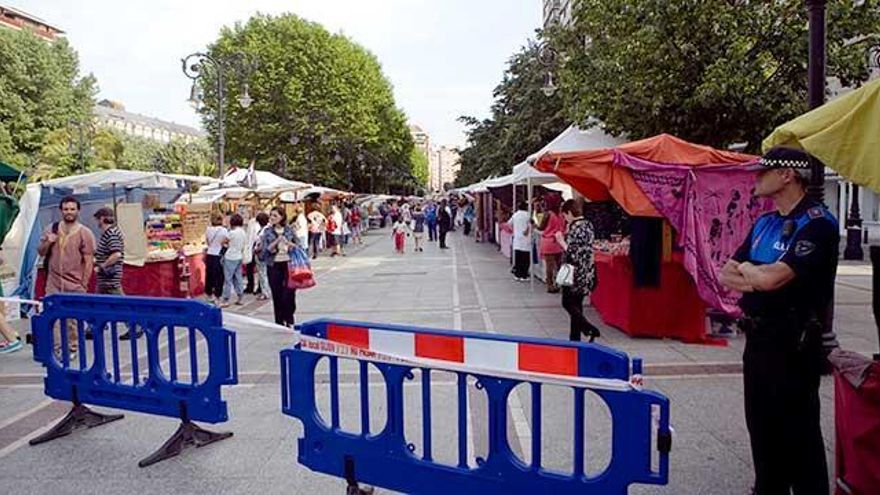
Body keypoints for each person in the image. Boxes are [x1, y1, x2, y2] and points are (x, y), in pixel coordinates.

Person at [720, 147, 838, 494]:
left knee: (798, 431)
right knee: (761, 425)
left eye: (763, 171)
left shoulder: (817, 223)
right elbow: (727, 273)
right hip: (758, 336)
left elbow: (774, 280)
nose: (756, 177)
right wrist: (755, 273)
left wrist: (753, 273)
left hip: (794, 339)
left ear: (788, 174)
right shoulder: (764, 223)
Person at [38, 196, 96, 357]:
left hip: (75, 283)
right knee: (54, 315)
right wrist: (48, 242)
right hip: (54, 281)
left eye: (72, 209)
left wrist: (83, 283)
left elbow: (89, 260)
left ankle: (72, 347)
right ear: (61, 210)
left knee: (73, 319)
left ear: (78, 210)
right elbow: (41, 252)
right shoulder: (52, 229)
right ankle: (57, 348)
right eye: (66, 209)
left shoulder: (85, 233)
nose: (69, 212)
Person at [554, 199, 600, 342]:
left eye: (565, 216)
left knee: (567, 303)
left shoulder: (575, 227)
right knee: (577, 304)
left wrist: (561, 241)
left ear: (569, 213)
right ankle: (575, 338)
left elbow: (573, 253)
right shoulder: (588, 225)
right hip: (587, 271)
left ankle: (589, 329)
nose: (565, 219)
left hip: (574, 273)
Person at [260, 207, 298, 327]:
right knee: (277, 294)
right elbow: (266, 251)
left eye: (275, 216)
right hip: (274, 264)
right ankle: (279, 321)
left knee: (289, 293)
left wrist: (288, 243)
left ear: (282, 217)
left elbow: (297, 246)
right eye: (271, 215)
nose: (272, 218)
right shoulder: (267, 232)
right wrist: (277, 241)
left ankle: (289, 318)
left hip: (288, 264)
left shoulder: (289, 230)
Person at [537, 195, 565, 293]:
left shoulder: (548, 214)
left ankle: (550, 285)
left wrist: (534, 223)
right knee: (559, 265)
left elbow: (541, 227)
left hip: (548, 242)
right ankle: (560, 283)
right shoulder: (561, 215)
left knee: (549, 266)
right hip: (559, 241)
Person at [220, 213, 247, 307]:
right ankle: (240, 297)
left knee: (228, 279)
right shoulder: (243, 232)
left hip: (230, 257)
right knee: (238, 277)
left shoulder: (231, 233)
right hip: (239, 256)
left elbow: (223, 242)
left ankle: (226, 299)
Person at [204, 212, 228, 304]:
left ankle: (208, 293)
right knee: (219, 276)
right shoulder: (223, 230)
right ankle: (217, 295)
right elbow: (226, 242)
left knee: (209, 275)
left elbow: (207, 242)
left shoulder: (208, 229)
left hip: (210, 254)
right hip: (218, 255)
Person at [508, 201, 531, 281]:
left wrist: (515, 230)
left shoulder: (515, 215)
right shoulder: (528, 215)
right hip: (526, 239)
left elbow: (509, 224)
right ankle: (524, 275)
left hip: (517, 239)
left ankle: (517, 275)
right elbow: (531, 224)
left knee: (518, 258)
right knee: (525, 258)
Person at [252, 212, 271, 301]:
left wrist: (256, 249)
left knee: (262, 274)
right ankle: (265, 291)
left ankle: (265, 292)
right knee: (264, 273)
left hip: (261, 254)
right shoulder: (267, 229)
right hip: (265, 254)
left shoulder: (264, 230)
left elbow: (261, 242)